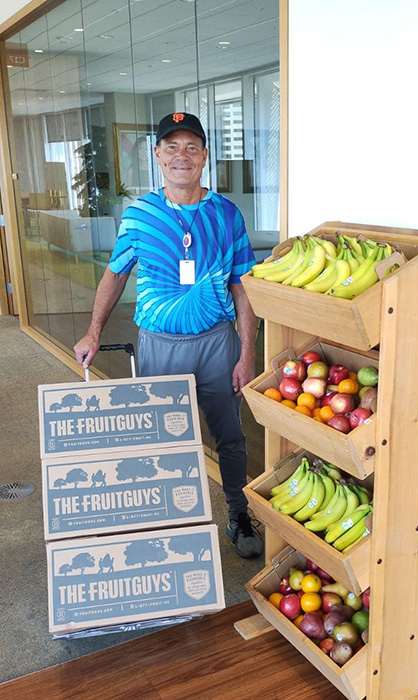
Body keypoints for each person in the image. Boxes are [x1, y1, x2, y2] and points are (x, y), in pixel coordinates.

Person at [74, 112, 263, 559]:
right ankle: (168, 524)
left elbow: (243, 286)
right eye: (172, 147)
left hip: (218, 342)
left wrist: (247, 353)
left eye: (192, 147)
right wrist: (93, 332)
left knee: (230, 436)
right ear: (158, 155)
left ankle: (237, 512)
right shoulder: (139, 215)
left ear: (204, 157)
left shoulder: (226, 214)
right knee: (161, 441)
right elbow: (115, 275)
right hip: (160, 344)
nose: (182, 156)